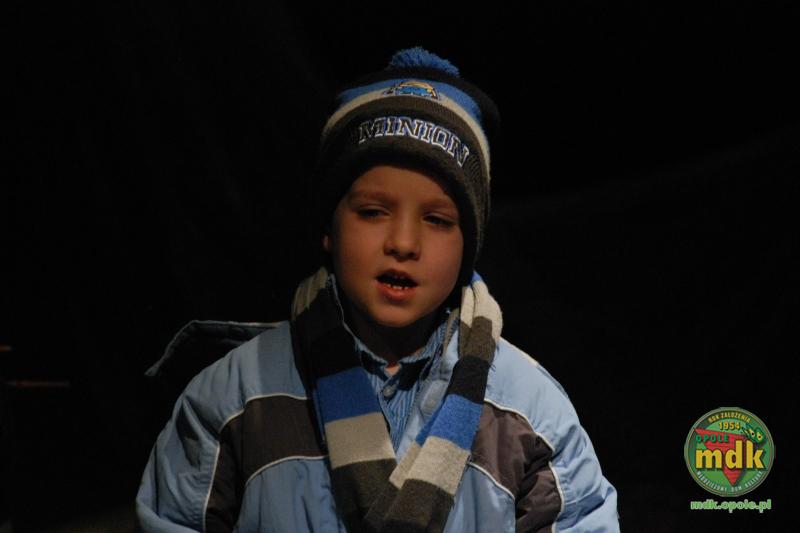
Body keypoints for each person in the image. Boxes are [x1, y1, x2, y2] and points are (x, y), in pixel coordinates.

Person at [136, 47, 619, 532]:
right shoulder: (234, 399)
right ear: (329, 227)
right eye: (372, 212)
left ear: (468, 246)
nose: (403, 243)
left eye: (437, 220)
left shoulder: (530, 412)